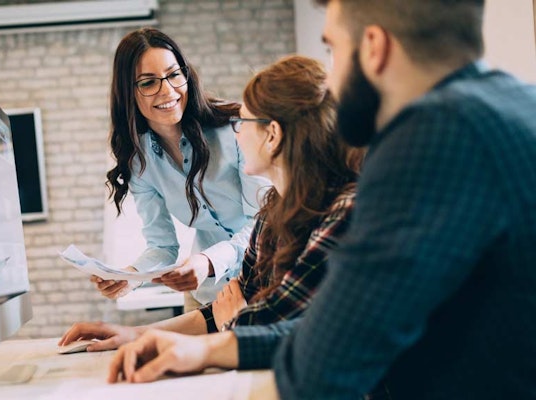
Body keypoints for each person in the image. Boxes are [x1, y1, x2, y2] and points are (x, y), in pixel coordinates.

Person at [107, 0, 536, 398]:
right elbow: (330, 329)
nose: (329, 81)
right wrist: (203, 347)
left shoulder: (425, 142)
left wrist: (231, 328)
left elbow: (321, 360)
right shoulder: (519, 105)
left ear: (374, 47)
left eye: (332, 49)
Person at [62, 55, 359, 352]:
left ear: (272, 135)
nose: (236, 132)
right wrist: (133, 331)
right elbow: (236, 311)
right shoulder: (270, 215)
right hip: (212, 299)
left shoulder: (341, 217)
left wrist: (234, 324)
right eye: (149, 82)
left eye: (242, 122)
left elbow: (277, 333)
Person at [96, 27, 265, 310]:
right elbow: (163, 246)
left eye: (174, 75)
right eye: (148, 82)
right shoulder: (140, 162)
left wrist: (208, 262)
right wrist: (131, 277)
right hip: (208, 295)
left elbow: (262, 224)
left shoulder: (236, 128)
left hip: (265, 284)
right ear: (128, 93)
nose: (168, 91)